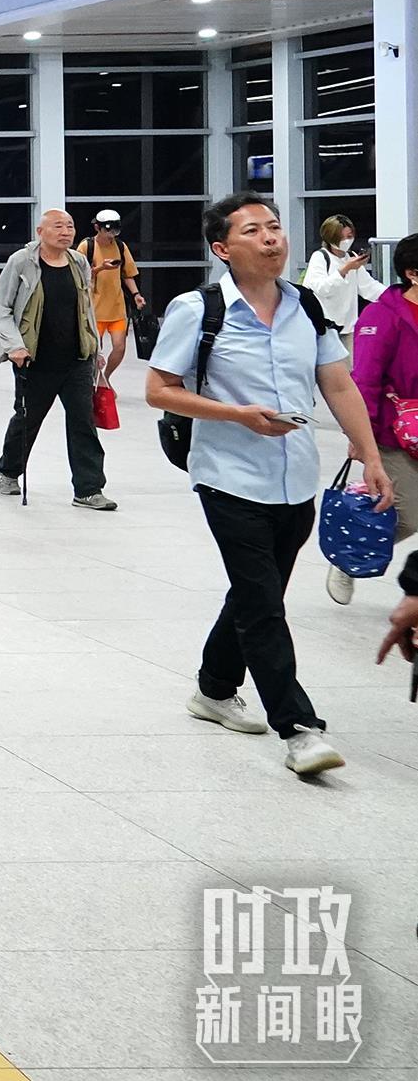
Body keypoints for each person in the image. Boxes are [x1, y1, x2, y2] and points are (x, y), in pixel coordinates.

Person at [146, 192, 391, 777]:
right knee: (262, 604)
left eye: (275, 227)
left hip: (296, 478)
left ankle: (213, 688)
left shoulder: (305, 305)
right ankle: (299, 728)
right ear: (222, 248)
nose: (271, 238)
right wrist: (239, 416)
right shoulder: (197, 308)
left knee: (255, 593)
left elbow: (337, 383)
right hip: (228, 477)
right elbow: (159, 390)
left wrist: (370, 454)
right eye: (253, 230)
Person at [0, 209, 114, 510]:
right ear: (40, 231)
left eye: (70, 226)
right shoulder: (22, 262)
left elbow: (85, 307)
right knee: (27, 420)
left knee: (83, 423)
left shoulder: (78, 262)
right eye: (58, 226)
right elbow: (2, 308)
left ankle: (88, 489)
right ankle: (9, 469)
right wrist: (15, 347)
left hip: (76, 359)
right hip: (34, 360)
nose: (66, 232)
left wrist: (95, 348)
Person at [338, 231, 418, 605]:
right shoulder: (382, 316)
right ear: (412, 273)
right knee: (409, 514)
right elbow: (364, 380)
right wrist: (361, 435)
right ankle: (350, 553)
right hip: (395, 430)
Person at [82, 210, 147, 378]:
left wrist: (136, 294)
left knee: (120, 347)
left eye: (115, 229)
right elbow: (80, 274)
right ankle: (95, 381)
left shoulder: (120, 246)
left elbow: (127, 274)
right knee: (95, 350)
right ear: (97, 227)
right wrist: (101, 268)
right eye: (108, 229)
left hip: (116, 307)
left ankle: (105, 377)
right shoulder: (87, 246)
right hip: (93, 308)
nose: (111, 233)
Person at [304, 214, 383, 327]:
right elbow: (322, 288)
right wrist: (345, 269)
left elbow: (368, 287)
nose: (346, 241)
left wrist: (394, 296)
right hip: (325, 326)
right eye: (341, 237)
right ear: (330, 238)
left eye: (349, 236)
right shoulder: (320, 257)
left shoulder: (351, 257)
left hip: (348, 326)